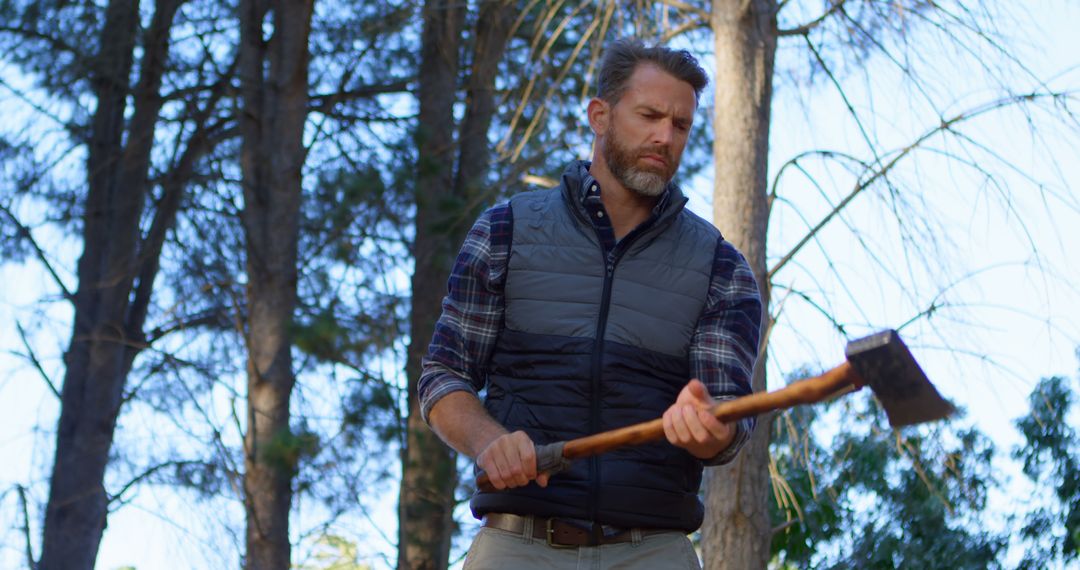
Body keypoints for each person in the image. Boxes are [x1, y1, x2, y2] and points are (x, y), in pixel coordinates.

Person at [417, 39, 763, 568]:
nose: (664, 137)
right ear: (599, 116)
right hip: (517, 544)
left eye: (681, 125)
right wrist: (491, 441)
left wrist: (711, 427)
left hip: (655, 549)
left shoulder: (722, 266)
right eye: (649, 115)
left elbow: (729, 424)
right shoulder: (505, 231)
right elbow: (443, 377)